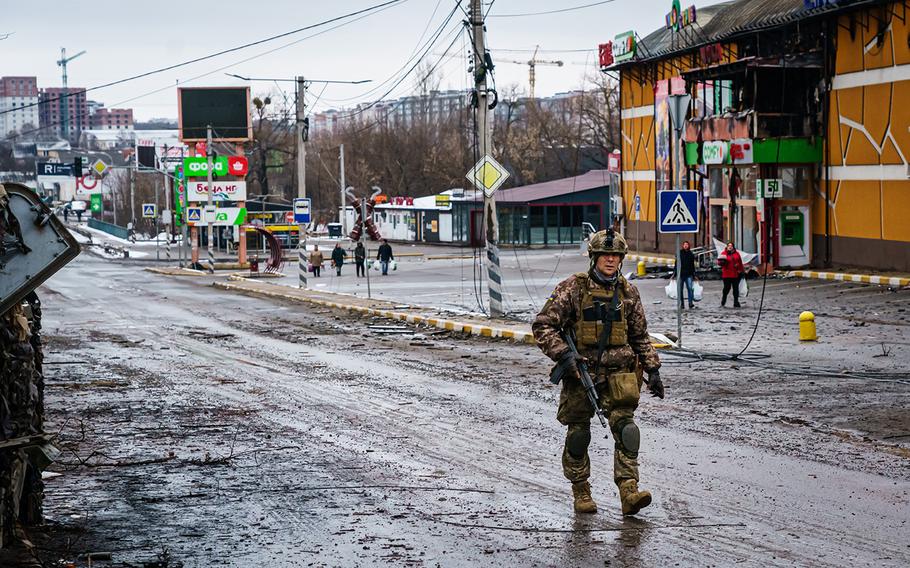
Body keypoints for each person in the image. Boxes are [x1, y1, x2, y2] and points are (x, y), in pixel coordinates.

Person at [532, 229, 664, 517]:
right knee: (579, 434)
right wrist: (564, 355)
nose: (610, 260)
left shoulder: (628, 292)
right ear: (593, 257)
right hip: (582, 374)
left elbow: (640, 335)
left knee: (627, 431)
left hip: (619, 375)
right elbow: (543, 325)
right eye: (605, 255)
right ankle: (581, 491)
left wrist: (653, 368)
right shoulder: (573, 288)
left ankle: (629, 491)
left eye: (615, 256)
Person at [718, 241, 745, 308]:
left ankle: (736, 302)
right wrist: (722, 262)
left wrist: (741, 270)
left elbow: (740, 262)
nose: (730, 247)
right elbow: (719, 262)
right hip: (726, 274)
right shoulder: (723, 253)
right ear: (727, 247)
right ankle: (723, 301)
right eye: (729, 246)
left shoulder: (737, 253)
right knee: (727, 288)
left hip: (735, 274)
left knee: (735, 289)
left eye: (731, 246)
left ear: (733, 247)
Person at [678, 240, 696, 309]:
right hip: (681, 274)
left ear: (688, 246)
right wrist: (675, 273)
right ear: (683, 246)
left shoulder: (691, 254)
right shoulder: (680, 253)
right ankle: (682, 304)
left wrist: (694, 275)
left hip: (689, 274)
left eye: (687, 244)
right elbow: (677, 263)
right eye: (684, 244)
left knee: (690, 289)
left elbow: (692, 265)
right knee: (680, 290)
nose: (685, 246)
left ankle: (690, 303)